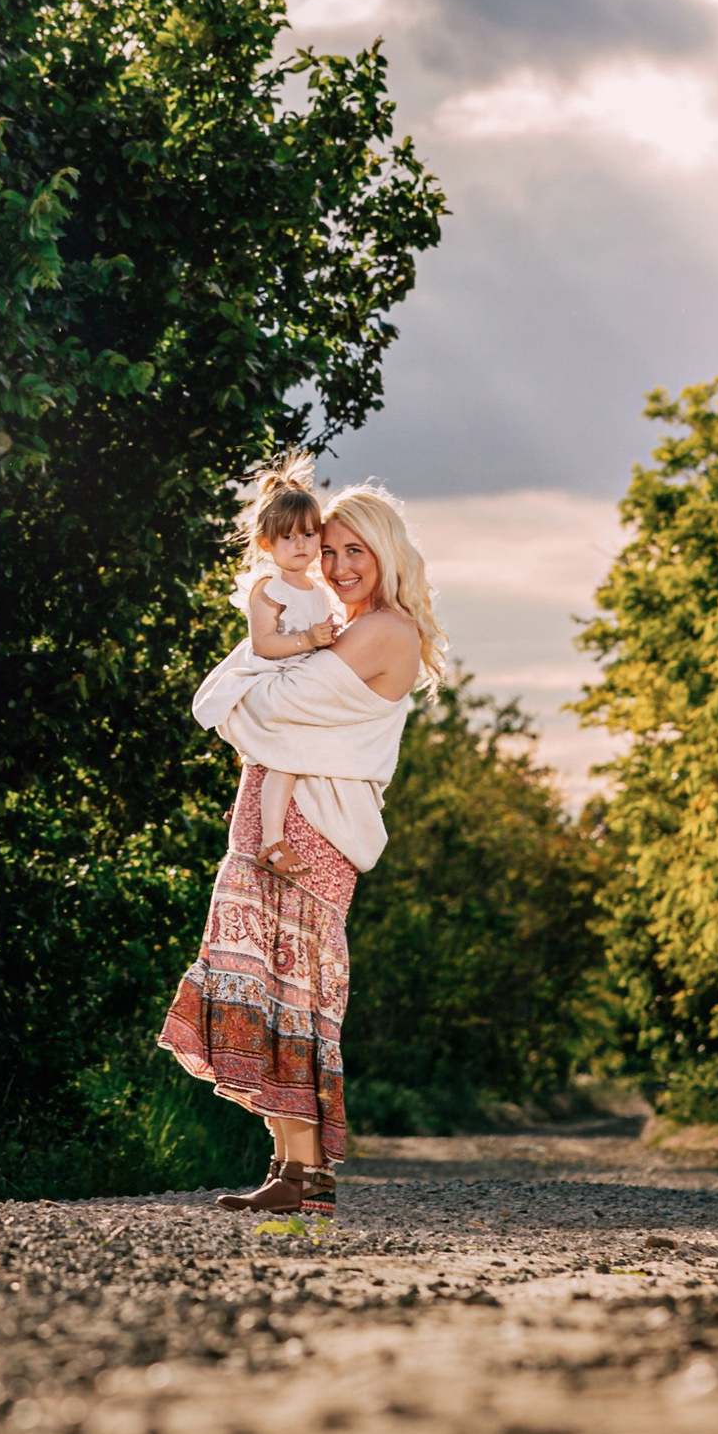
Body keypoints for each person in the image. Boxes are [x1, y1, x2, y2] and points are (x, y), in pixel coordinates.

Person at [157, 483, 451, 1217]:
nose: (340, 564)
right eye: (329, 550)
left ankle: (306, 1170)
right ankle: (294, 1168)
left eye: (356, 550)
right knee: (270, 989)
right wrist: (267, 674)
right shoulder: (333, 627)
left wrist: (263, 678)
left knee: (293, 991)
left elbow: (262, 704)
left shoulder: (383, 630)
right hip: (270, 824)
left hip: (310, 838)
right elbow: (248, 699)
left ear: (387, 553)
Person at [188, 452, 340, 879]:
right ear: (267, 543)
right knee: (286, 758)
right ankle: (271, 842)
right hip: (270, 674)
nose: (301, 545)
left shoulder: (315, 587)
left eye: (309, 535)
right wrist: (310, 640)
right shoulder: (268, 588)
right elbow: (264, 645)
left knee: (300, 756)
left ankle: (267, 824)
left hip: (300, 673)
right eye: (289, 538)